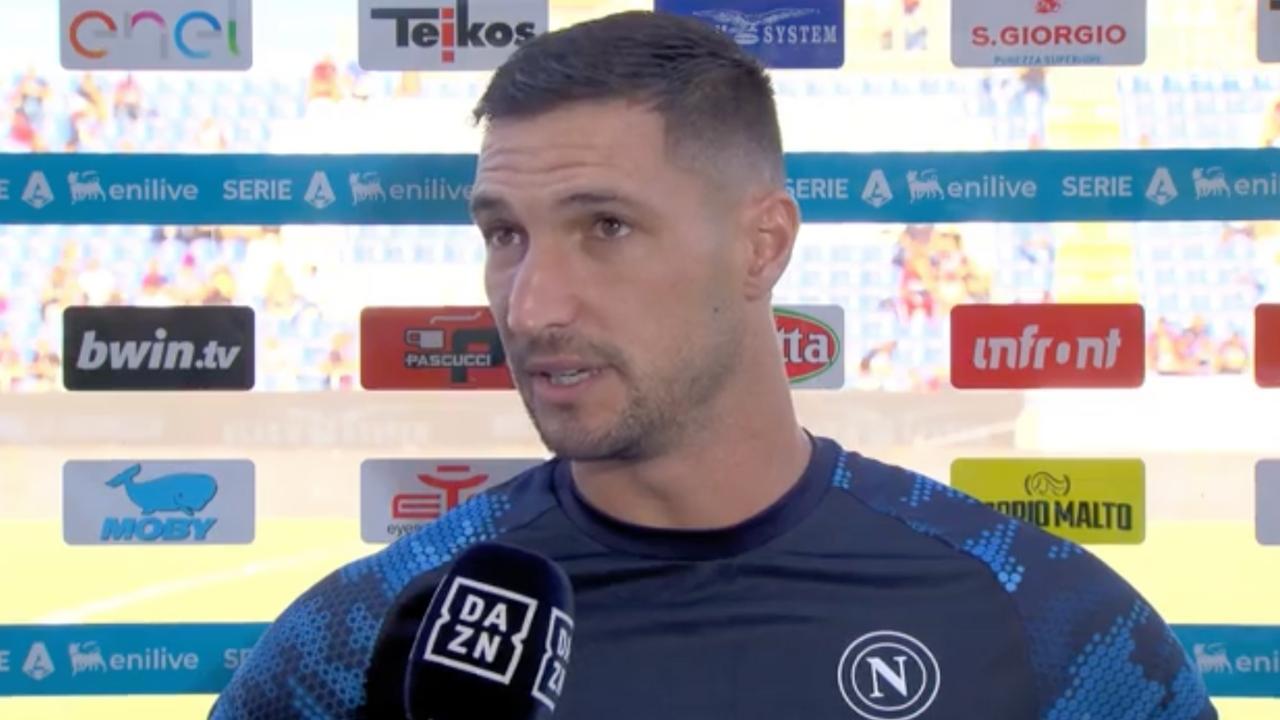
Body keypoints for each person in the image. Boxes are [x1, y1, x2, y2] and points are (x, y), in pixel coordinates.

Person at [210, 11, 1216, 720]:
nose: (530, 304)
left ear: (761, 245)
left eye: (605, 227)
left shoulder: (1050, 624)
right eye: (504, 233)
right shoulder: (360, 641)